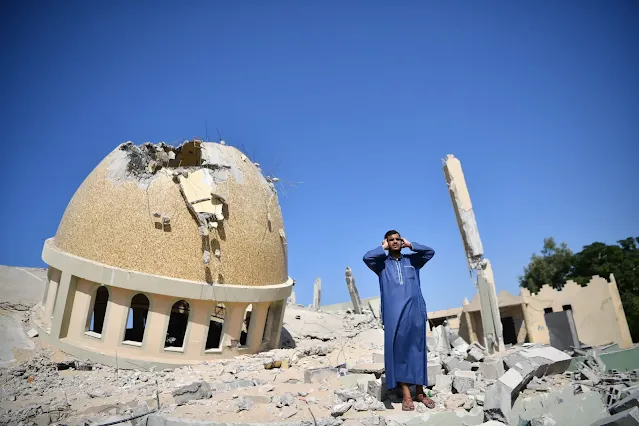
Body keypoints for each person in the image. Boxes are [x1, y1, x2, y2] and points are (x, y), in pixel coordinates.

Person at [362, 230, 436, 411]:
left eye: (398, 239)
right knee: (400, 353)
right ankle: (407, 395)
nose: (395, 242)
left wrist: (411, 245)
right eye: (391, 240)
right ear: (386, 242)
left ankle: (420, 392)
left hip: (415, 312)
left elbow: (429, 252)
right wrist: (382, 248)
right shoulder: (381, 264)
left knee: (418, 352)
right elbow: (366, 258)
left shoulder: (413, 261)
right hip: (395, 316)